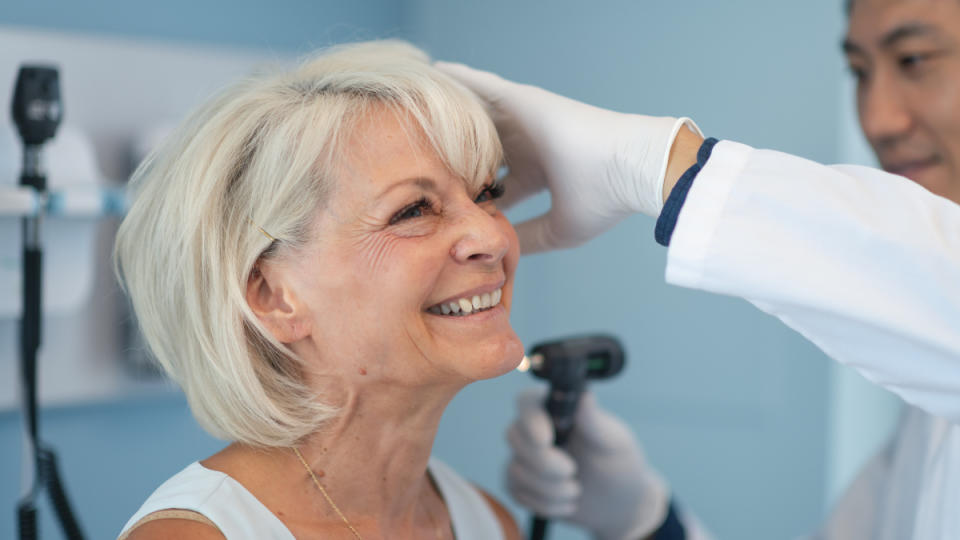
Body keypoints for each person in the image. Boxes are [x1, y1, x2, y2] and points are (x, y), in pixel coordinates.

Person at [436, 0, 960, 537]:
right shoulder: (926, 419)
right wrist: (649, 520)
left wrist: (665, 166)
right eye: (858, 71)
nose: (877, 120)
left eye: (915, 59)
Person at [113, 40, 529, 539]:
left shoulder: (486, 522)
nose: (492, 237)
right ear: (273, 297)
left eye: (486, 193)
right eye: (413, 210)